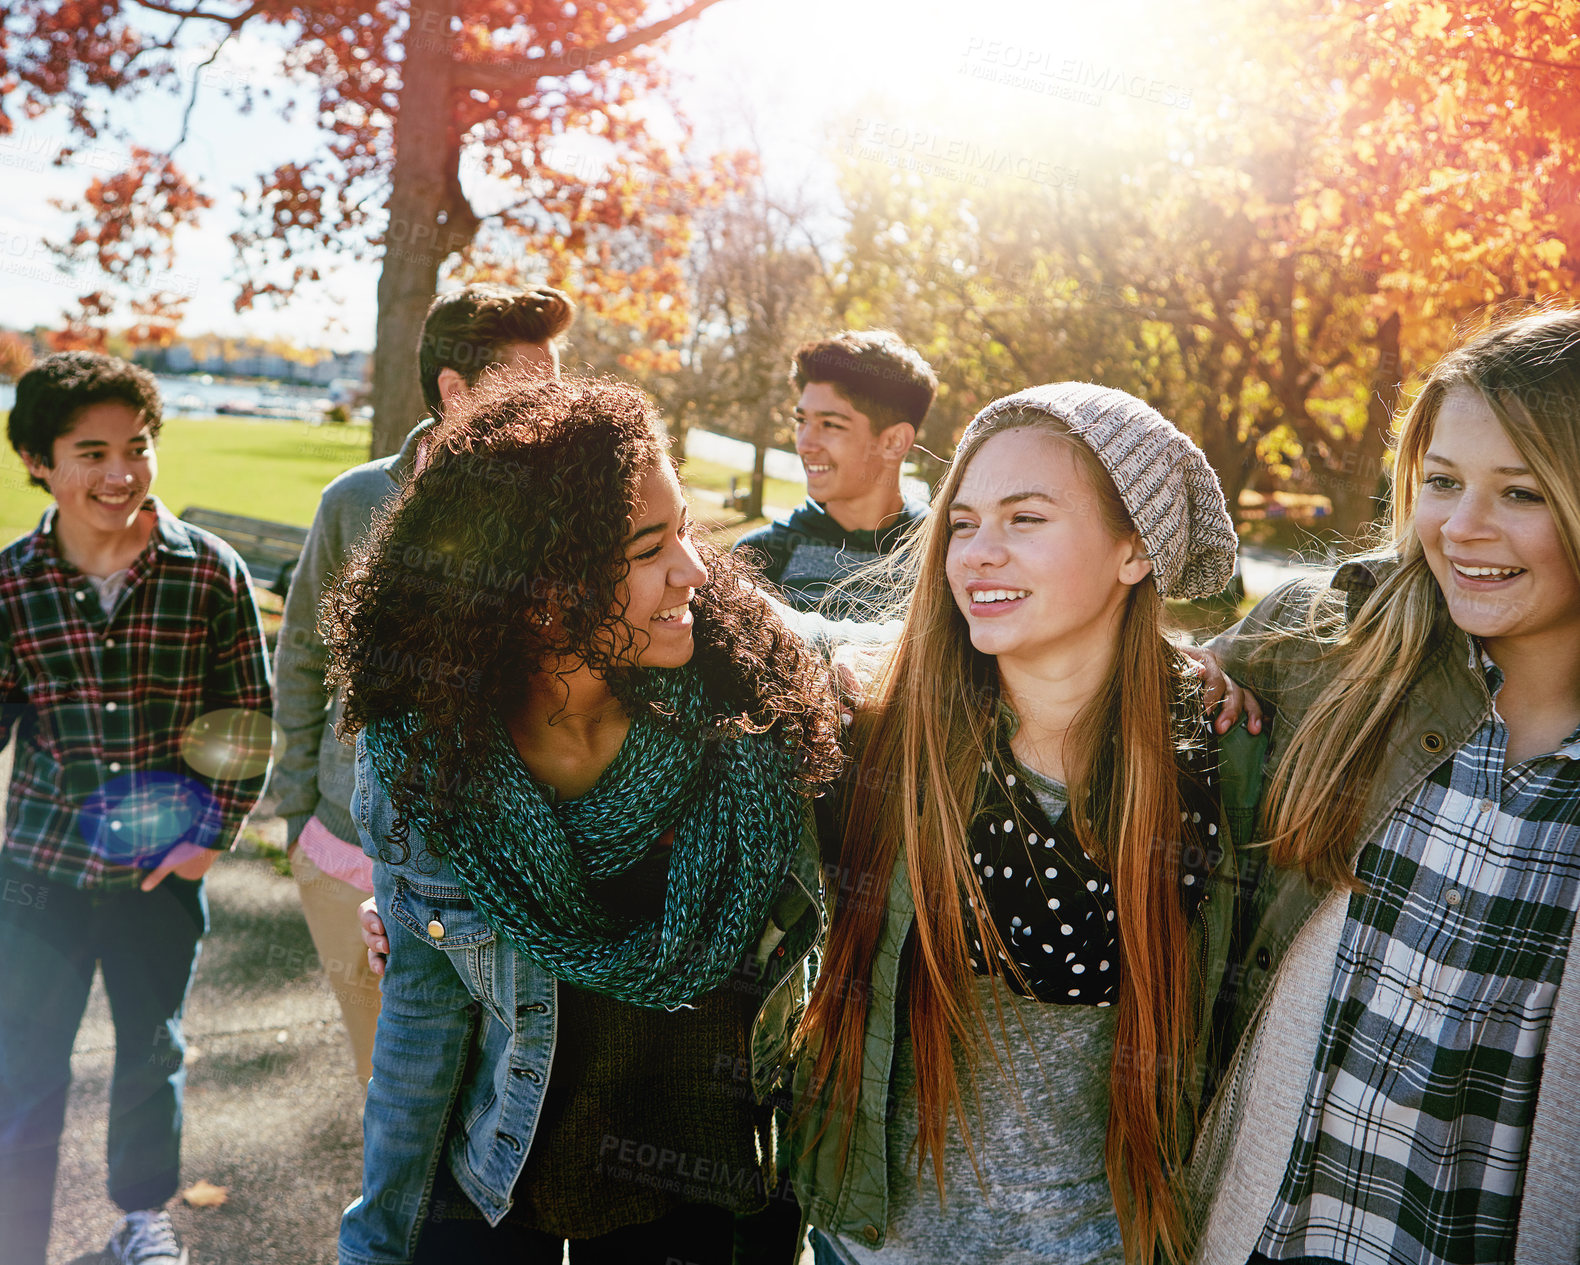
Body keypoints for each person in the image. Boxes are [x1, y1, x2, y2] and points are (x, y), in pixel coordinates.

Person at [327, 375, 843, 1264]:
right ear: (537, 591)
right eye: (651, 547)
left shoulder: (760, 696)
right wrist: (378, 1240)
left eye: (685, 528)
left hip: (708, 1193)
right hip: (504, 1174)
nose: (693, 568)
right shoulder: (427, 757)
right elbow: (422, 1015)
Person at [791, 383, 1257, 1265]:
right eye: (962, 524)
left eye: (1026, 518)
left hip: (1109, 1242)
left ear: (1134, 550)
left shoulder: (1218, 762)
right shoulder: (880, 734)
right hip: (877, 1244)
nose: (978, 554)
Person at [1186, 308, 1580, 1265]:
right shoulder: (1323, 652)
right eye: (1441, 482)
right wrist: (1177, 684)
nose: (1461, 527)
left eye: (1520, 491)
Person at [0, 352, 273, 1265]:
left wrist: (209, 840)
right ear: (40, 460)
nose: (120, 472)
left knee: (151, 1051)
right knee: (23, 1063)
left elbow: (246, 721)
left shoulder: (210, 573)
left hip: (163, 872)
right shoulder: (11, 584)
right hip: (41, 875)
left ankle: (141, 1215)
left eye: (137, 447)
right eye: (92, 452)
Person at [268, 282, 574, 1087]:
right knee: (386, 1082)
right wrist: (300, 812)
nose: (555, 400)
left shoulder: (562, 515)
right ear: (454, 388)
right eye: (531, 379)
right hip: (344, 849)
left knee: (500, 1096)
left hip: (500, 865)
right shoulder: (357, 501)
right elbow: (302, 657)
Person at [733, 331, 936, 617]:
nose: (804, 445)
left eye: (830, 424)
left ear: (894, 442)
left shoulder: (945, 551)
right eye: (801, 421)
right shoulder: (762, 554)